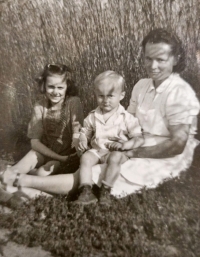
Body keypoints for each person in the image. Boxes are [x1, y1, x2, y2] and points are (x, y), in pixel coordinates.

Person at [1, 28, 199, 202]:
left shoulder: (180, 93)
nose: (153, 66)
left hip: (162, 155)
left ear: (175, 58)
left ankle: (20, 181)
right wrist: (108, 142)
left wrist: (129, 153)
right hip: (134, 143)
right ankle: (24, 189)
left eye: (161, 60)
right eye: (149, 58)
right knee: (88, 166)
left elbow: (176, 145)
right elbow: (124, 120)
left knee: (95, 174)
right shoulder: (142, 85)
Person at [0, 63, 84, 207]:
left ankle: (18, 187)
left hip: (67, 157)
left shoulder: (73, 103)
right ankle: (8, 179)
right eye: (51, 87)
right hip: (48, 152)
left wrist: (66, 157)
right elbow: (35, 142)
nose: (55, 92)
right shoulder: (40, 105)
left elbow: (77, 132)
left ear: (67, 87)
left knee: (42, 174)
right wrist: (56, 156)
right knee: (32, 155)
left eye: (60, 87)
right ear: (44, 85)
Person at [75, 71, 144, 205]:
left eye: (110, 96)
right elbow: (85, 131)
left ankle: (106, 190)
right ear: (96, 95)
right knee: (86, 158)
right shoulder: (93, 115)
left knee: (115, 157)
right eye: (101, 96)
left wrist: (124, 145)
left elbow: (139, 138)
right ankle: (86, 190)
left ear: (121, 96)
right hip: (98, 150)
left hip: (116, 152)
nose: (105, 100)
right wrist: (83, 139)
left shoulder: (127, 118)